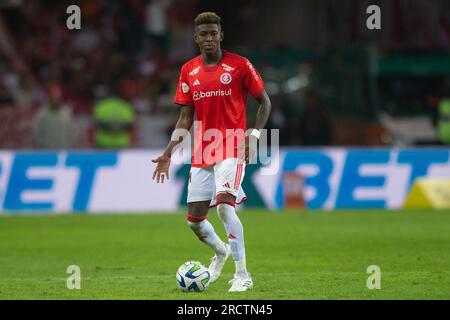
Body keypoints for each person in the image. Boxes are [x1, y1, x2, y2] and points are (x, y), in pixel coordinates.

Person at [151, 12, 271, 292]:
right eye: (203, 34)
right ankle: (221, 252)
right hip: (203, 151)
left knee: (226, 206)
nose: (208, 38)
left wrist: (253, 135)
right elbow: (184, 119)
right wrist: (169, 152)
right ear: (196, 38)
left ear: (221, 35)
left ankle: (242, 274)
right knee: (194, 220)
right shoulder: (188, 71)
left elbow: (264, 102)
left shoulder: (240, 65)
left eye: (213, 33)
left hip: (232, 146)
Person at [32, 84, 77, 149]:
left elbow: (74, 132)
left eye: (57, 97)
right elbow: (37, 134)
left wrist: (69, 147)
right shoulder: (42, 114)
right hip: (47, 153)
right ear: (49, 98)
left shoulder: (67, 113)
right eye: (53, 97)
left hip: (64, 152)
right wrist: (42, 148)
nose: (55, 100)